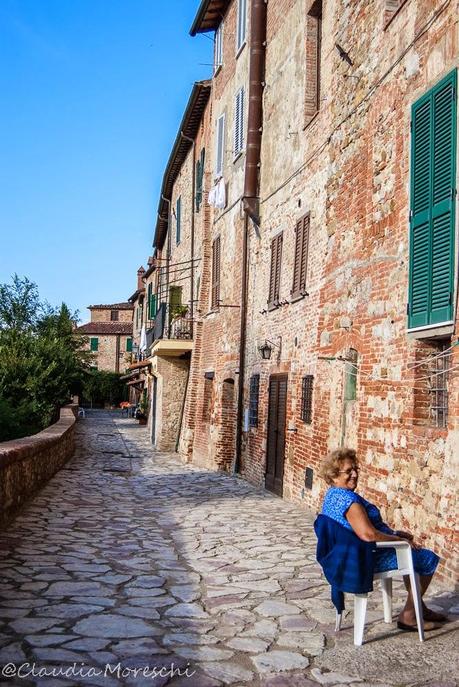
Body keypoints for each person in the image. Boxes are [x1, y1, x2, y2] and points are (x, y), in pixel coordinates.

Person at [320, 447, 447, 631]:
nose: (354, 474)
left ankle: (419, 607)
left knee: (410, 553)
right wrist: (397, 539)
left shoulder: (333, 495)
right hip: (365, 559)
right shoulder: (349, 501)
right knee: (426, 558)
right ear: (333, 476)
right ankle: (409, 616)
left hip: (345, 557)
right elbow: (368, 534)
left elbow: (361, 530)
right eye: (348, 471)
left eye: (356, 469)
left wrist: (395, 534)